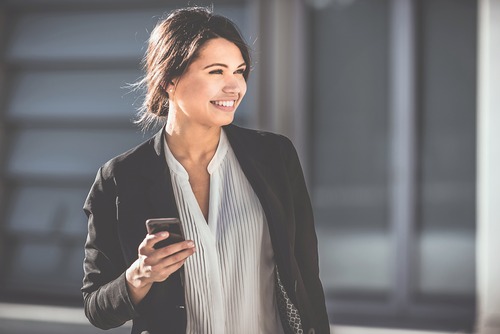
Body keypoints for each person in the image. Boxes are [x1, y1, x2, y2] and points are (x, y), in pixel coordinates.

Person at [82, 6, 329, 334]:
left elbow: (306, 277)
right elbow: (97, 308)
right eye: (216, 72)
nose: (234, 87)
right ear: (169, 79)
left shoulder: (275, 157)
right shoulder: (119, 179)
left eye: (239, 71)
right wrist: (140, 275)